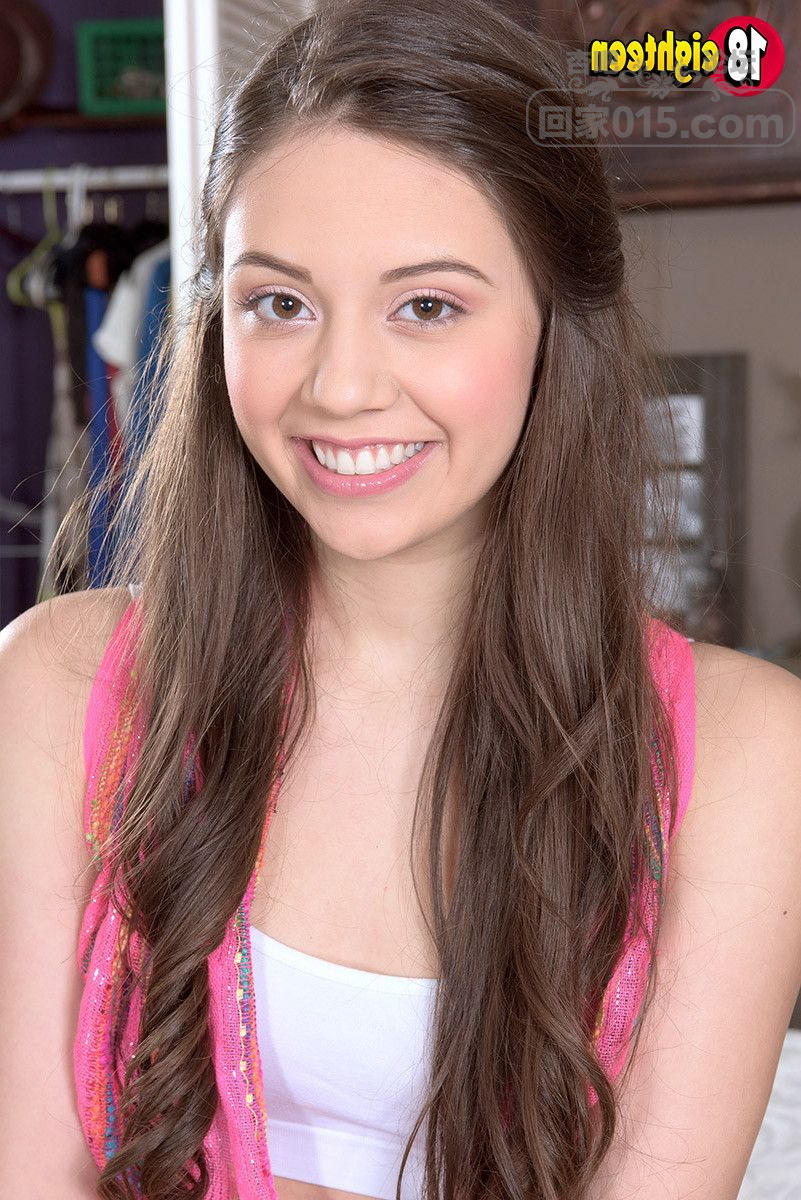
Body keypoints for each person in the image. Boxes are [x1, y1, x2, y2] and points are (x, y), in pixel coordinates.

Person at [2, 1, 801, 1198]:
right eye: (281, 303)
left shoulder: (744, 756)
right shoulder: (60, 684)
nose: (341, 386)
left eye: (427, 306)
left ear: (555, 328)